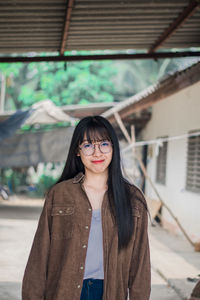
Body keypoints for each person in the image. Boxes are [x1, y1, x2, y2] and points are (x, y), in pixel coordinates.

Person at [22, 115, 151, 300]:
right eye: (88, 145)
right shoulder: (59, 194)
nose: (97, 153)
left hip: (110, 293)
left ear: (113, 148)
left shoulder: (133, 198)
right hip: (64, 291)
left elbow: (140, 265)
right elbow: (39, 257)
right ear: (77, 150)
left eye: (104, 144)